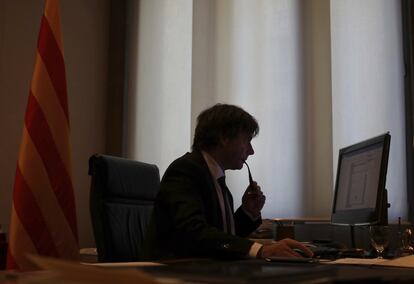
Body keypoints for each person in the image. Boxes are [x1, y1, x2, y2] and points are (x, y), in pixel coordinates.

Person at [141, 103, 312, 260]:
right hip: (174, 271)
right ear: (224, 137)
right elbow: (194, 233)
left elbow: (222, 237)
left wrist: (247, 213)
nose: (251, 151)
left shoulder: (215, 177)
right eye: (247, 140)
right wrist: (260, 250)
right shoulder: (185, 170)